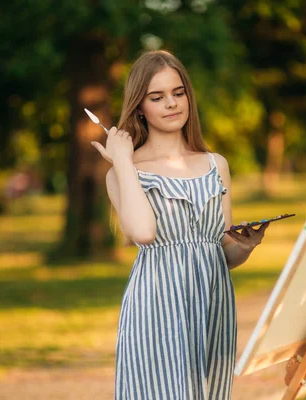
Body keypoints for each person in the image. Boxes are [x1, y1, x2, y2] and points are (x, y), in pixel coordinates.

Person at [91, 50, 269, 400]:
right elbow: (142, 233)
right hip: (156, 310)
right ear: (139, 106)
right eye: (157, 97)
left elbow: (222, 252)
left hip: (212, 305)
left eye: (178, 92)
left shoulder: (216, 164)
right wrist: (124, 162)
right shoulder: (123, 174)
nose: (172, 104)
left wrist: (246, 245)